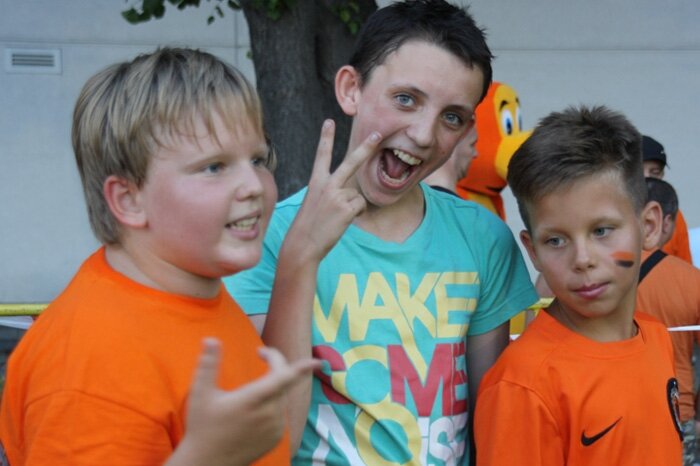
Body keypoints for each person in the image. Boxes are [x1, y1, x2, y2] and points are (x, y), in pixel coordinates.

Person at [0, 46, 377, 465]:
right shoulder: (89, 365)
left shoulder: (192, 293)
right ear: (128, 200)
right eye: (214, 167)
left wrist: (302, 256)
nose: (254, 185)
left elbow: (273, 441)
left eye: (258, 159)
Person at [225, 1, 539, 464]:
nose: (424, 134)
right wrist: (301, 256)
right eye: (406, 99)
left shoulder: (484, 238)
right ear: (351, 89)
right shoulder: (267, 235)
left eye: (451, 116)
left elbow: (492, 424)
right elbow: (270, 431)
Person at [474, 105, 683, 465]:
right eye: (556, 240)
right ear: (533, 251)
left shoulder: (657, 338)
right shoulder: (523, 385)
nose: (582, 259)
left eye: (601, 230)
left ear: (648, 227)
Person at [638, 177, 700, 466]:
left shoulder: (598, 280)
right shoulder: (692, 281)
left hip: (612, 411)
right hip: (678, 409)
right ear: (664, 221)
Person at [642, 134, 693, 264]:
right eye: (638, 171)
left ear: (662, 175)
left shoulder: (675, 216)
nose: (647, 177)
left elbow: (685, 268)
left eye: (655, 172)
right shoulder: (613, 213)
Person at [425, 124, 478, 196]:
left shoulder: (412, 196)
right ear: (453, 142)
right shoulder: (450, 202)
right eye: (472, 144)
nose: (475, 154)